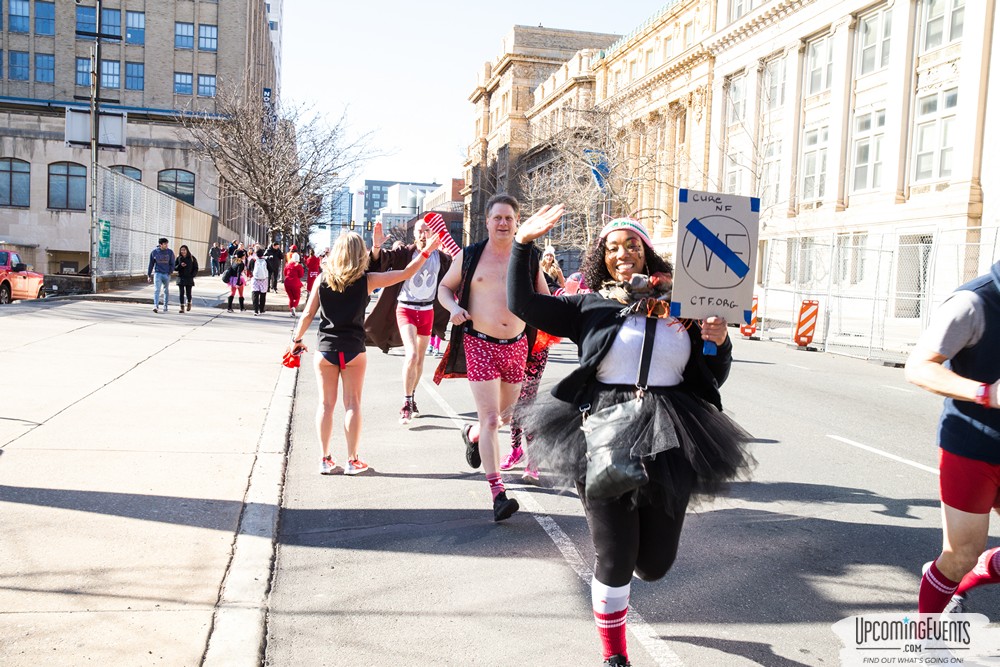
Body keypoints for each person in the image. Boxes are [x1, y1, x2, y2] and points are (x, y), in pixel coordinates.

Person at [508, 208, 753, 667]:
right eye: (614, 247)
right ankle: (614, 655)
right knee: (617, 557)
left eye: (633, 245)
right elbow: (523, 304)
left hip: (672, 435)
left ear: (646, 252)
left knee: (655, 565)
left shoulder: (684, 306)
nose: (624, 254)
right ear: (603, 256)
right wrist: (523, 243)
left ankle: (626, 591)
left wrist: (717, 341)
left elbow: (711, 378)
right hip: (605, 430)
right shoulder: (589, 305)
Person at [287, 231, 442, 476]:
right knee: (353, 404)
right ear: (361, 254)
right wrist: (426, 251)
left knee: (326, 405)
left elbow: (307, 315)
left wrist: (296, 340)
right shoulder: (367, 280)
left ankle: (325, 459)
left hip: (325, 349)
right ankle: (352, 460)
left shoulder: (323, 280)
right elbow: (406, 273)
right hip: (353, 350)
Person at [436, 193, 549, 522]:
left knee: (503, 417)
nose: (503, 223)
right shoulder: (471, 256)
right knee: (490, 419)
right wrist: (454, 308)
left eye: (509, 219)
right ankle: (498, 494)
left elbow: (545, 299)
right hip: (479, 342)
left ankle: (471, 435)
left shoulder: (528, 258)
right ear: (487, 222)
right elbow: (445, 287)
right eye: (497, 218)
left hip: (516, 346)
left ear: (517, 223)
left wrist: (568, 302)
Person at [906, 260, 1000, 614]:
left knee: (970, 561)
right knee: (961, 554)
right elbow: (919, 367)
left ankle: (973, 575)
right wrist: (986, 393)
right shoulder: (973, 303)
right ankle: (925, 633)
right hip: (974, 446)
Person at [364, 220, 453, 424]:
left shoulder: (441, 258)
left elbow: (458, 273)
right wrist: (377, 246)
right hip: (406, 308)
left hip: (428, 310)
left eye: (426, 231)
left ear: (433, 234)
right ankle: (405, 403)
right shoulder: (406, 253)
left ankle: (412, 397)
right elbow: (382, 260)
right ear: (414, 234)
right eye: (419, 231)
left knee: (420, 360)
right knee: (411, 354)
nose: (423, 235)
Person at [146, 237, 175, 314]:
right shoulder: (154, 252)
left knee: (166, 290)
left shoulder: (170, 252)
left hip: (166, 274)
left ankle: (165, 306)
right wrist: (149, 275)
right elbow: (151, 264)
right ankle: (155, 306)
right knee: (156, 290)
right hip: (158, 273)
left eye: (167, 244)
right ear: (160, 244)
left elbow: (172, 263)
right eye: (165, 244)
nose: (166, 245)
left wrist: (170, 271)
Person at [174, 245, 198, 313]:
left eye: (184, 250)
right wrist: (180, 265)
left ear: (187, 250)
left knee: (188, 293)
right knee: (181, 293)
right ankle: (182, 307)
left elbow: (195, 268)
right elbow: (175, 268)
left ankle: (189, 303)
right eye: (182, 250)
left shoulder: (192, 258)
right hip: (180, 277)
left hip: (189, 278)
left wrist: (192, 275)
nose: (183, 251)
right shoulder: (179, 258)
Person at [249, 248, 269, 316]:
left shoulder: (253, 260)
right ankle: (261, 309)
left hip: (255, 279)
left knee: (255, 294)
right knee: (263, 294)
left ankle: (255, 310)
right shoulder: (265, 260)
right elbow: (270, 268)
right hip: (264, 279)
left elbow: (249, 268)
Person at [284, 252, 305, 317]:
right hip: (295, 283)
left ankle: (291, 310)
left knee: (291, 298)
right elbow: (301, 275)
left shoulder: (287, 265)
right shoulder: (299, 266)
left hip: (287, 283)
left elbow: (285, 273)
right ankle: (293, 307)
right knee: (297, 297)